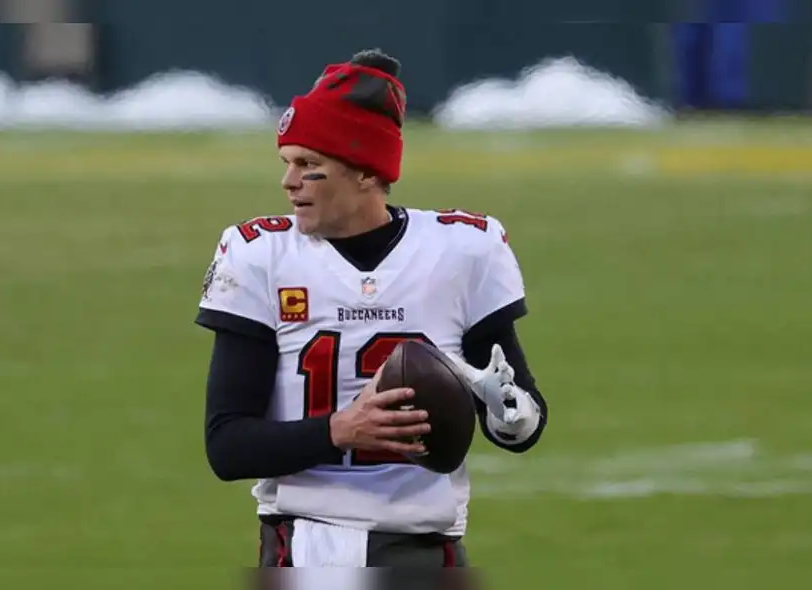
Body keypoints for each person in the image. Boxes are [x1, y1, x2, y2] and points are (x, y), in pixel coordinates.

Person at [195, 48, 548, 569]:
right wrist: (338, 430)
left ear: (364, 171)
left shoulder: (462, 250)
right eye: (287, 163)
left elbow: (523, 421)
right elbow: (226, 446)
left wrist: (508, 412)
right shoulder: (260, 254)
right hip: (308, 543)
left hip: (429, 545)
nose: (288, 182)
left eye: (308, 165)